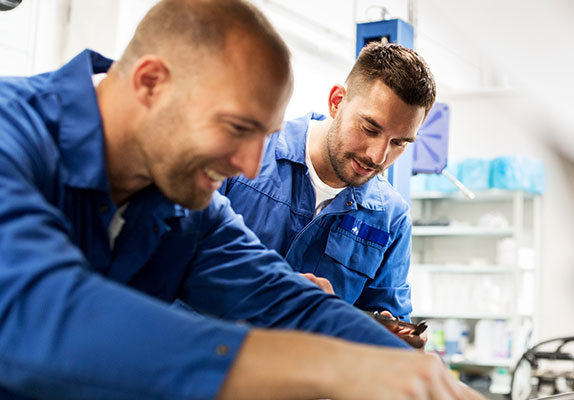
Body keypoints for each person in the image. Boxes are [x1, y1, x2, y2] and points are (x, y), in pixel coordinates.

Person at [0, 0, 478, 398]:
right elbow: (33, 311)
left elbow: (289, 301)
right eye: (237, 128)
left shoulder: (186, 206)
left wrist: (424, 379)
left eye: (264, 136)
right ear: (150, 82)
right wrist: (322, 366)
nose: (250, 167)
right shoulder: (11, 136)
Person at [220, 42, 431, 346]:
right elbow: (184, 259)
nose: (378, 156)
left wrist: (389, 337)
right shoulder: (247, 152)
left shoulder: (391, 217)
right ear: (336, 102)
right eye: (370, 129)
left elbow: (386, 326)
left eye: (399, 143)